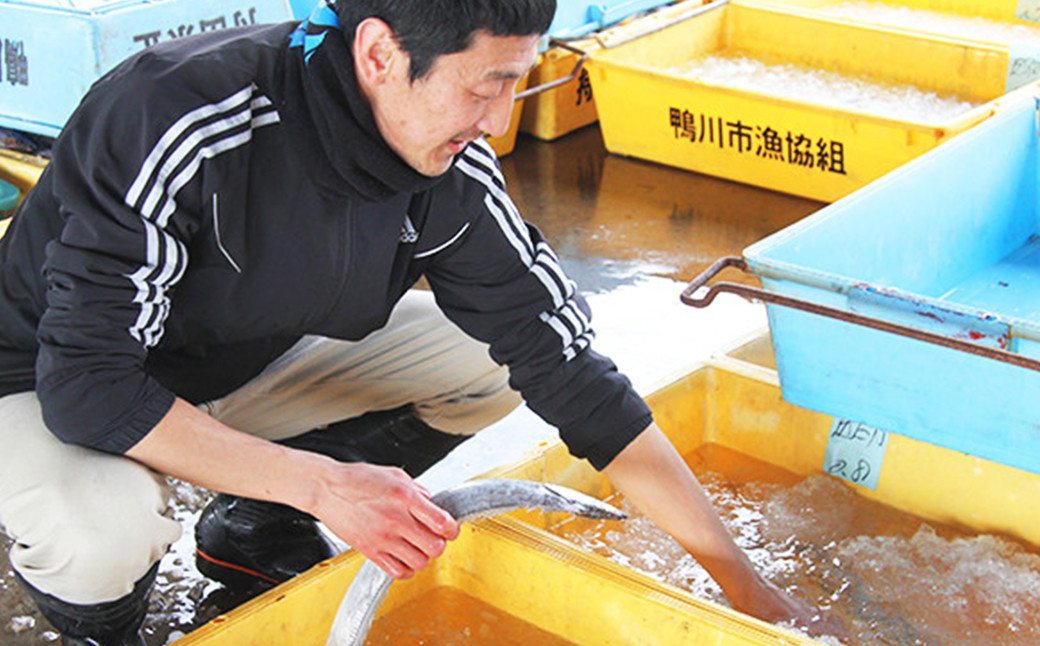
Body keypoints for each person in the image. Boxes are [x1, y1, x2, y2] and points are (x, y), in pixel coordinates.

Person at [0, 0, 837, 644]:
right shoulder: (173, 116)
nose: (501, 121)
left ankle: (252, 523)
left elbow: (573, 373)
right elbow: (89, 386)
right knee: (101, 537)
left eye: (518, 79)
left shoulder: (452, 166)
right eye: (486, 85)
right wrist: (324, 484)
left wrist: (748, 589)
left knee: (483, 368)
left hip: (236, 363)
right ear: (378, 53)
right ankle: (109, 624)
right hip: (45, 376)